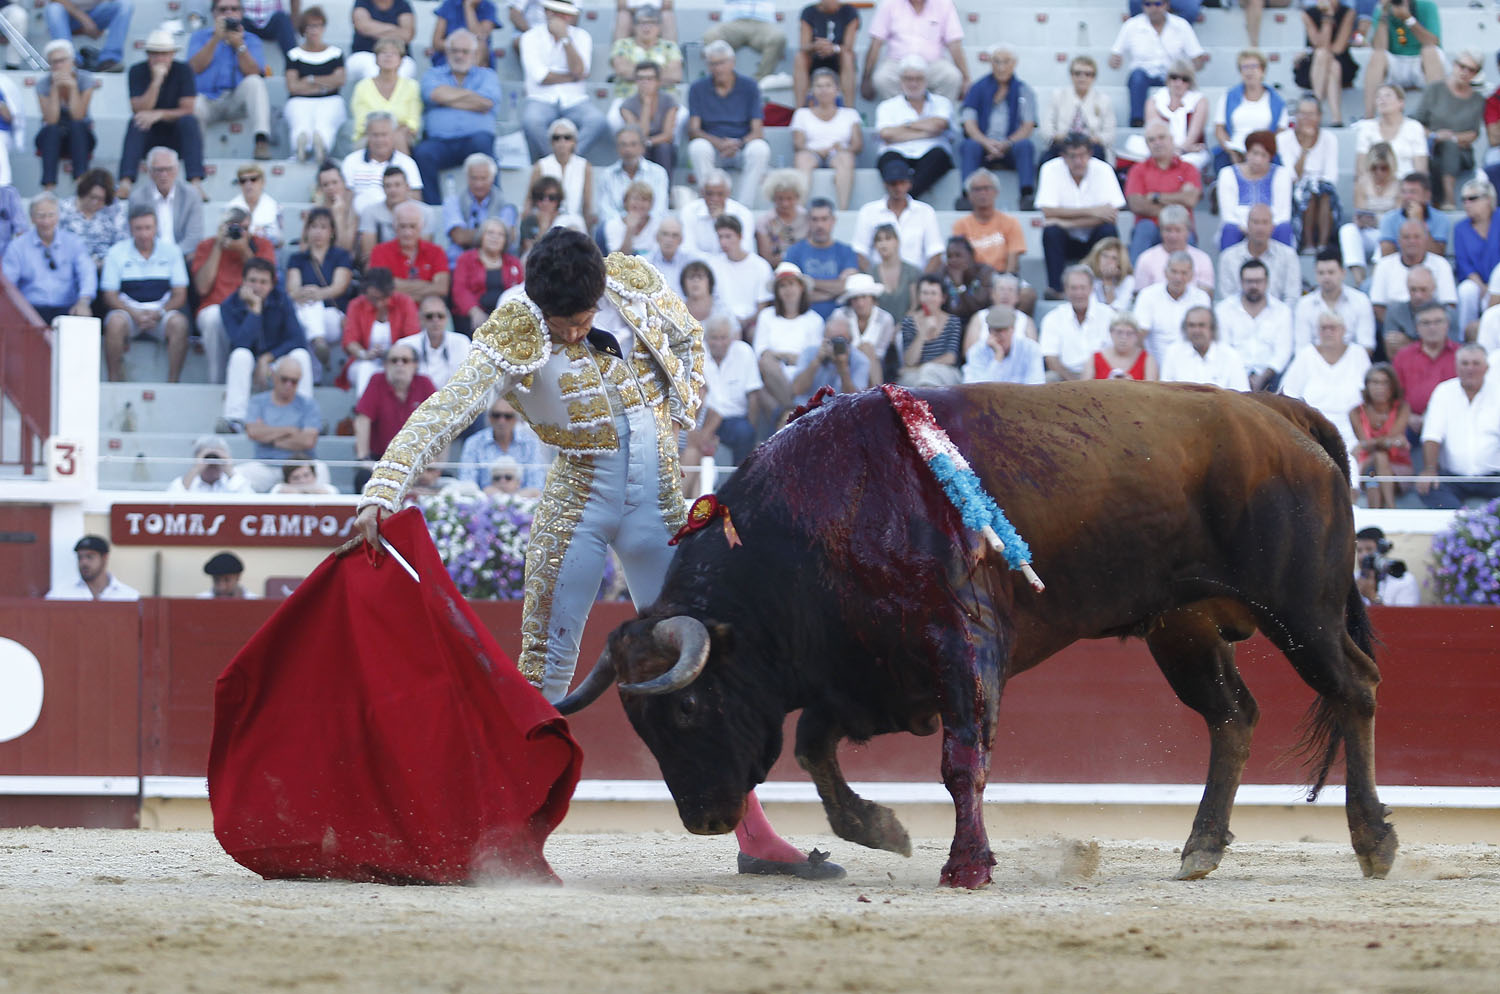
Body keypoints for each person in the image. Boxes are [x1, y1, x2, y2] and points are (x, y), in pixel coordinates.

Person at [353, 229, 838, 881]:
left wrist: (678, 414)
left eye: (582, 319)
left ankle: (754, 835)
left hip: (660, 500)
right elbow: (445, 408)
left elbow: (691, 343)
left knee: (706, 666)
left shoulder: (632, 281)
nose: (575, 333)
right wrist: (383, 488)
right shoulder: (516, 328)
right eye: (563, 326)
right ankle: (496, 838)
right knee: (544, 671)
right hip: (578, 502)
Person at [217, 257, 315, 433]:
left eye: (263, 282)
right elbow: (239, 342)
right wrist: (255, 309)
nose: (257, 286)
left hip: (275, 361)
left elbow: (297, 339)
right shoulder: (229, 305)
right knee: (240, 355)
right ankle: (235, 419)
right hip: (248, 363)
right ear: (243, 282)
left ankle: (305, 419)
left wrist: (267, 359)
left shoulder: (281, 300)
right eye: (252, 281)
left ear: (272, 285)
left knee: (301, 356)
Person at [101, 205, 189, 382]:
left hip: (161, 312)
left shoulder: (172, 252)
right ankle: (114, 381)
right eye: (138, 228)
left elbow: (180, 294)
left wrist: (159, 313)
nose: (143, 234)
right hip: (128, 312)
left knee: (180, 324)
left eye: (148, 228)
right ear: (130, 229)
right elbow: (109, 294)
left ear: (156, 228)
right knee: (115, 323)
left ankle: (173, 383)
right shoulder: (116, 252)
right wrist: (134, 313)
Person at [414, 30, 501, 206]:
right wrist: (471, 98)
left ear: (475, 54)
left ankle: (493, 206)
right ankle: (433, 208)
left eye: (465, 51)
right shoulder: (433, 74)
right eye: (455, 51)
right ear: (447, 53)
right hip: (440, 142)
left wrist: (448, 99)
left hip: (475, 140)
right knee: (422, 153)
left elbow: (486, 103)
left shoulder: (487, 75)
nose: (459, 55)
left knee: (484, 145)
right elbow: (434, 95)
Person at [1036, 132, 1125, 299]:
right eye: (1072, 156)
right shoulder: (1050, 169)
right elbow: (1048, 211)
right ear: (1063, 156)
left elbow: (1111, 216)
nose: (1078, 161)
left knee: (1108, 230)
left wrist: (1065, 222)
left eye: (1082, 155)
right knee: (1052, 232)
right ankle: (1056, 289)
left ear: (1090, 154)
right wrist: (1093, 211)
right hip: (1065, 241)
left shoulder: (1104, 170)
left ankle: (1106, 287)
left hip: (1094, 239)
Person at [194, 208, 278, 383]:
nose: (239, 232)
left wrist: (244, 251)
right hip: (217, 311)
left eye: (244, 228)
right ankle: (217, 383)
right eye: (234, 227)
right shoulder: (206, 246)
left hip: (253, 308)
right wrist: (218, 245)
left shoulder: (262, 245)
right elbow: (202, 288)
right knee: (212, 317)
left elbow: (269, 284)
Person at [118, 30, 205, 200]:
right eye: (155, 54)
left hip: (175, 134)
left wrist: (159, 114)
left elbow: (188, 108)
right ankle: (125, 182)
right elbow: (139, 109)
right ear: (148, 55)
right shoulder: (137, 71)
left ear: (172, 54)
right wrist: (156, 82)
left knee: (189, 122)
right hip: (148, 135)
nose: (159, 59)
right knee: (136, 122)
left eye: (164, 54)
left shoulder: (183, 70)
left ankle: (196, 182)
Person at [687, 40, 771, 206]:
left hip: (741, 146)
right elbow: (693, 130)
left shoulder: (750, 87)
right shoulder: (697, 88)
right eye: (712, 64)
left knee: (760, 149)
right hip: (713, 147)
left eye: (721, 63)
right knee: (697, 147)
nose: (717, 68)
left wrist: (738, 144)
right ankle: (711, 203)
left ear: (732, 62)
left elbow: (757, 131)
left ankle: (743, 207)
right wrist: (718, 143)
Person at [519, 0, 605, 160]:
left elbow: (579, 71)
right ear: (547, 13)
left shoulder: (582, 36)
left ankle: (568, 161)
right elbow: (541, 77)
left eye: (566, 14)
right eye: (559, 13)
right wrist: (572, 76)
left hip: (575, 100)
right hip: (540, 99)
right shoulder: (529, 37)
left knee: (596, 121)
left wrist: (565, 38)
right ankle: (553, 162)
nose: (564, 18)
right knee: (531, 122)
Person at [1281, 310, 1371, 461]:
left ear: (1343, 330)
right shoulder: (1306, 355)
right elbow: (1287, 394)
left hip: (1351, 427)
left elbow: (1369, 396)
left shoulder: (1358, 354)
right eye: (1323, 328)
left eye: (1333, 328)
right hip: (1312, 427)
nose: (1328, 332)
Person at [188, 0, 273, 161]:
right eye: (223, 9)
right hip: (208, 101)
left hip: (236, 100)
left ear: (241, 14)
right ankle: (195, 156)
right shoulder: (199, 37)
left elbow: (254, 71)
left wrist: (239, 45)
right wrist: (215, 40)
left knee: (255, 82)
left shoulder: (251, 39)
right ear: (213, 13)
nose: (228, 13)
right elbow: (194, 68)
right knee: (193, 103)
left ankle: (261, 141)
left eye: (234, 9)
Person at [1416, 345, 1500, 508]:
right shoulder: (1443, 392)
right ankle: (1461, 527)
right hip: (1453, 478)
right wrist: (1430, 469)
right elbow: (1431, 436)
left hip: (1494, 477)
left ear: (1486, 368)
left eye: (1476, 363)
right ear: (1456, 366)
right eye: (1465, 363)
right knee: (1430, 489)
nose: (1470, 368)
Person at [957, 45, 1035, 210]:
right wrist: (986, 142)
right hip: (984, 145)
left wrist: (1007, 143)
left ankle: (1027, 194)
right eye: (997, 62)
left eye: (1006, 62)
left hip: (1010, 146)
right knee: (969, 145)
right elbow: (969, 123)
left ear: (1014, 63)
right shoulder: (977, 88)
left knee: (1026, 145)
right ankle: (966, 195)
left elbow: (1028, 126)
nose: (1001, 67)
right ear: (990, 63)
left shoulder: (1024, 90)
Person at [1108, 0, 1208, 128]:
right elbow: (1114, 57)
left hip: (1171, 76)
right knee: (1137, 77)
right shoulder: (1132, 25)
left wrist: (1198, 63)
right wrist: (1114, 61)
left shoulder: (1181, 25)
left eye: (1158, 4)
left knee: (1180, 78)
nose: (1153, 8)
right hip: (1143, 76)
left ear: (1167, 5)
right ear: (1142, 6)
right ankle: (1137, 121)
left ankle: (1180, 125)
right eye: (1148, 4)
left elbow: (1197, 58)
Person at [1, 192, 96, 324]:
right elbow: (9, 284)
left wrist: (84, 301)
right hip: (29, 309)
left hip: (67, 308)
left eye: (51, 215)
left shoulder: (74, 242)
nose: (46, 221)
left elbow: (87, 274)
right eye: (41, 216)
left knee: (83, 317)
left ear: (58, 216)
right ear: (32, 218)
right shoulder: (17, 246)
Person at [352, 338, 436, 483]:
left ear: (415, 365)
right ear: (385, 365)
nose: (399, 364)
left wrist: (433, 463)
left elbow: (439, 422)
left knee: (448, 480)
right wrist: (363, 458)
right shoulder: (377, 381)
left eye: (405, 360)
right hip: (381, 460)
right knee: (363, 478)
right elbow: (362, 419)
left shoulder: (425, 384)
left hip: (419, 460)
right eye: (394, 360)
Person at [873, 56, 954, 202]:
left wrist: (906, 127)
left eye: (918, 79)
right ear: (901, 81)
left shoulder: (942, 102)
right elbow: (886, 134)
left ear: (926, 80)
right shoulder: (887, 105)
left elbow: (940, 125)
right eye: (908, 79)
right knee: (890, 160)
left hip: (931, 152)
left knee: (939, 157)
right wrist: (926, 130)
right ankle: (907, 199)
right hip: (898, 151)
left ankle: (905, 199)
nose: (913, 83)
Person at [1413, 52, 1484, 211]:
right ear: (1454, 65)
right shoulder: (1435, 89)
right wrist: (1434, 136)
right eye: (1462, 66)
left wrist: (1450, 137)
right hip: (1430, 146)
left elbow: (1473, 133)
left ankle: (1449, 197)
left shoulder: (1477, 99)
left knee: (1450, 145)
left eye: (1471, 70)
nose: (1465, 72)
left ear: (1476, 74)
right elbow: (1417, 122)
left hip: (1461, 152)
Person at [1124, 121, 1203, 263]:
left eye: (1161, 137)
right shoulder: (1137, 170)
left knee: (1181, 232)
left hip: (1180, 227)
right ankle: (1136, 282)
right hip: (1149, 227)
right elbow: (1136, 205)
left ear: (1171, 140)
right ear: (1147, 145)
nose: (1157, 143)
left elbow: (1190, 200)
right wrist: (1178, 202)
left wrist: (1155, 197)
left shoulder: (1188, 169)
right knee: (1145, 229)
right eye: (1151, 140)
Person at [860, 0, 968, 102]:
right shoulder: (889, 3)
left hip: (932, 65)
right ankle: (900, 118)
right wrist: (866, 78)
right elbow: (876, 43)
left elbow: (954, 44)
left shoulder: (944, 3)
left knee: (952, 77)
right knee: (881, 78)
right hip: (897, 64)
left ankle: (938, 118)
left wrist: (966, 78)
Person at [951, 171, 1030, 309]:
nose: (982, 193)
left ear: (996, 192)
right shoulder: (961, 225)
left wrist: (1003, 284)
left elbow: (1013, 261)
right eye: (977, 189)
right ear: (969, 195)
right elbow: (960, 260)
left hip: (1003, 276)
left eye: (987, 188)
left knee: (1028, 295)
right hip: (974, 279)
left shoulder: (1010, 222)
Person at [286, 206, 353, 369]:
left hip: (333, 315)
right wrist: (305, 293)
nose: (318, 232)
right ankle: (319, 342)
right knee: (308, 311)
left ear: (331, 232)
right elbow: (292, 290)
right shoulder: (297, 259)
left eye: (323, 227)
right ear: (307, 230)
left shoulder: (341, 256)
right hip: (305, 314)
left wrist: (315, 293)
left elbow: (339, 287)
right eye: (314, 226)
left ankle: (318, 344)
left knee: (311, 307)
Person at [242, 354, 322, 490]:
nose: (288, 385)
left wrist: (271, 439)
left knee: (322, 470)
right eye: (284, 379)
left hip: (300, 468)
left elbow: (307, 441)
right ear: (274, 376)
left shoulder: (309, 404)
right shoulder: (257, 402)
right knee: (239, 478)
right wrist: (290, 430)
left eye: (294, 381)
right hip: (265, 466)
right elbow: (253, 432)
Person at [851, 159, 944, 271]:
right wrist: (876, 280)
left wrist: (920, 284)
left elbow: (935, 253)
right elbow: (860, 252)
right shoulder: (868, 211)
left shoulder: (925, 212)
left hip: (916, 279)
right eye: (893, 183)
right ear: (885, 184)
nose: (898, 188)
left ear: (909, 183)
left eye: (902, 182)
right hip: (878, 282)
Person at [341, 267, 419, 397]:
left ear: (390, 293)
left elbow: (413, 339)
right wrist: (365, 354)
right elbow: (349, 340)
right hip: (364, 360)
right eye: (373, 298)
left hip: (398, 360)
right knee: (366, 368)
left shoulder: (405, 303)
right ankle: (365, 412)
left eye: (382, 298)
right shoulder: (356, 305)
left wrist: (391, 355)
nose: (378, 304)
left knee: (401, 370)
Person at [791, 68, 862, 210]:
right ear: (812, 90)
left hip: (839, 153)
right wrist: (817, 150)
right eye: (819, 86)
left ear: (837, 89)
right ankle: (799, 209)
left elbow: (858, 145)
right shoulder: (802, 114)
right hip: (811, 152)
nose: (824, 90)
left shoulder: (850, 114)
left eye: (828, 86)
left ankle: (843, 208)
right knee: (802, 158)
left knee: (846, 158)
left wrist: (843, 148)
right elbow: (798, 144)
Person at [1362, 0, 1444, 120]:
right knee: (1377, 56)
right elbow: (1380, 47)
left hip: (1421, 63)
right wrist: (1383, 15)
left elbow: (1432, 42)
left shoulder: (1427, 6)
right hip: (1396, 63)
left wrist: (1408, 18)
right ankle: (1368, 118)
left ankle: (1437, 118)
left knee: (1430, 51)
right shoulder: (1381, 10)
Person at [754, 262, 822, 409]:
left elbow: (812, 357)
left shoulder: (814, 320)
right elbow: (762, 353)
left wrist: (780, 356)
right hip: (773, 378)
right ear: (777, 291)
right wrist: (790, 357)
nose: (787, 290)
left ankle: (789, 410)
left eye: (791, 284)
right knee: (767, 362)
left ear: (801, 287)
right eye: (782, 286)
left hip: (803, 378)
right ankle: (793, 408)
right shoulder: (766, 316)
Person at [284, 7, 347, 164]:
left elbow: (340, 80)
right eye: (310, 26)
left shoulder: (335, 53)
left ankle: (322, 147)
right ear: (303, 29)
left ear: (323, 28)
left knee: (324, 122)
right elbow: (292, 86)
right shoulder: (294, 54)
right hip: (300, 100)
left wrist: (310, 80)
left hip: (330, 100)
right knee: (301, 122)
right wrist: (325, 84)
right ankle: (301, 148)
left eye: (318, 25)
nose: (314, 30)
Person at [1278, 96, 1340, 253]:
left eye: (1311, 114)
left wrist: (1315, 185)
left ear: (1319, 116)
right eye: (1302, 114)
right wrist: (1304, 149)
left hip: (1323, 189)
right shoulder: (1283, 139)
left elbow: (1331, 176)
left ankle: (1323, 245)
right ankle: (1308, 244)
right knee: (1308, 194)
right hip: (1295, 190)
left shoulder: (1330, 139)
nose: (1306, 118)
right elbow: (1292, 176)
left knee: (1323, 193)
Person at [35, 40, 99, 191]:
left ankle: (81, 183)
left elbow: (78, 115)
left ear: (72, 61)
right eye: (53, 62)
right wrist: (55, 90)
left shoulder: (85, 79)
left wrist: (72, 88)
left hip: (80, 135)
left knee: (78, 127)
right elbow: (51, 120)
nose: (58, 66)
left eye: (62, 60)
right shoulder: (43, 84)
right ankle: (48, 187)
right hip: (53, 135)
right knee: (51, 130)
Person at [697, 314, 761, 461]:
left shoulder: (744, 352)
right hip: (704, 418)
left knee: (745, 432)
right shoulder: (696, 354)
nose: (719, 343)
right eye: (714, 338)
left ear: (732, 338)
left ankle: (740, 480)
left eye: (723, 337)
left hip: (734, 419)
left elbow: (754, 395)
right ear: (706, 338)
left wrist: (753, 426)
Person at [783, 198, 858, 323]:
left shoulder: (846, 251)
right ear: (807, 221)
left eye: (824, 219)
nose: (820, 225)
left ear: (833, 220)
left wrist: (807, 282)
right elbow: (793, 295)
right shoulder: (794, 252)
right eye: (815, 219)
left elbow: (848, 287)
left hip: (839, 322)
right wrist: (836, 291)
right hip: (803, 320)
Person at [1369, 219, 1457, 325]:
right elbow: (1378, 307)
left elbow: (1449, 306)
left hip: (1433, 327)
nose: (1412, 241)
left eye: (1416, 237)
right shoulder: (1383, 265)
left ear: (1425, 240)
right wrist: (1398, 327)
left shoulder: (1441, 264)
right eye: (1406, 237)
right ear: (1399, 240)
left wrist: (1421, 333)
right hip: (1395, 328)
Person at [1216, 130, 1293, 251]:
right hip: (1240, 228)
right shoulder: (1227, 174)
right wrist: (1251, 229)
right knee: (1230, 229)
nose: (1258, 160)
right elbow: (1228, 215)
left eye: (1264, 155)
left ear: (1271, 157)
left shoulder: (1281, 174)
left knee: (1284, 228)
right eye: (1255, 153)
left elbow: (1283, 214)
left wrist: (1262, 229)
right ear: (1247, 153)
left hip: (1270, 229)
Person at [1213, 51, 1287, 175]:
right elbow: (1219, 129)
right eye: (1245, 67)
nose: (1249, 71)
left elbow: (1281, 131)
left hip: (1265, 151)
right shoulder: (1228, 97)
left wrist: (1261, 154)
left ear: (1262, 70)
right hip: (1235, 150)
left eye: (1254, 67)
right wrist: (1231, 150)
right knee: (1222, 162)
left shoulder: (1276, 100)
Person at [1350, 363, 1412, 508]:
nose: (1380, 387)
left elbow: (1369, 444)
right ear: (1367, 385)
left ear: (1393, 386)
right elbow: (1382, 442)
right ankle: (1391, 509)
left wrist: (1367, 445)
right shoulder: (1355, 412)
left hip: (1397, 464)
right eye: (1375, 382)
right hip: (1370, 464)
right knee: (1376, 463)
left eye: (1385, 382)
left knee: (1376, 469)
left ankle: (1378, 514)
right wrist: (1392, 441)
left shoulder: (1403, 407)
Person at [1393, 302, 1459, 437]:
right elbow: (1393, 393)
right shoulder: (1403, 356)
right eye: (1426, 323)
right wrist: (1408, 416)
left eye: (1438, 322)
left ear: (1447, 325)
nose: (1432, 327)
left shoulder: (1461, 355)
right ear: (1417, 328)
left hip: (1453, 422)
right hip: (1411, 425)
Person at [1338, 141, 1400, 283]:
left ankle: (1376, 279)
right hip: (1368, 232)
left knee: (1387, 233)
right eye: (1374, 168)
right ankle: (1359, 279)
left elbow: (1397, 217)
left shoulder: (1399, 185)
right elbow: (1360, 211)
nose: (1379, 172)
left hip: (1388, 234)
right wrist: (1361, 221)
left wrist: (1377, 221)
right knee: (1347, 230)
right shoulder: (1362, 184)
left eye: (1384, 168)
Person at [1041, 265, 1116, 381]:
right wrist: (1076, 385)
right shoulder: (1053, 318)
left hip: (1102, 376)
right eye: (1073, 288)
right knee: (1049, 378)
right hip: (1066, 378)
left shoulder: (1109, 315)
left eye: (1082, 287)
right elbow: (1051, 359)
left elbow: (1116, 353)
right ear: (1065, 289)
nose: (1078, 293)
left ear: (1091, 288)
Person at [1134, 251, 1211, 365]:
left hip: (1191, 364)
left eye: (1184, 273)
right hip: (1155, 364)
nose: (1178, 278)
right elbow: (1139, 335)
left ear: (1191, 275)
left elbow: (1206, 335)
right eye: (1174, 272)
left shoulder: (1201, 297)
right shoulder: (1147, 295)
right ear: (1165, 272)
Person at [1295, 248, 1376, 355]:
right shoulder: (1304, 304)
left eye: (1331, 272)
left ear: (1343, 273)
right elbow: (1301, 348)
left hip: (1353, 364)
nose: (1326, 277)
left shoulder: (1361, 300)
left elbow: (1366, 345)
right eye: (1321, 273)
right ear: (1315, 275)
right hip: (1314, 365)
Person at [1216, 204, 1302, 304]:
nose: (1260, 228)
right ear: (1247, 226)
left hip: (1279, 317)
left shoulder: (1289, 256)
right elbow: (1227, 299)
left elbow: (1292, 297)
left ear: (1272, 227)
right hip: (1238, 317)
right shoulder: (1228, 257)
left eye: (1265, 222)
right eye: (1255, 222)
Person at [370, 201, 451, 305]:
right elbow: (380, 288)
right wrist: (427, 285)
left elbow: (441, 288)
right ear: (394, 226)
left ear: (422, 226)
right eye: (402, 226)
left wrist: (397, 286)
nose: (407, 233)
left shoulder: (436, 251)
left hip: (427, 315)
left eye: (412, 226)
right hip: (393, 312)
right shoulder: (379, 251)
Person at [708, 215, 773, 341]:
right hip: (721, 321)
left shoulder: (760, 266)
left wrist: (743, 323)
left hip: (751, 323)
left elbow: (762, 306)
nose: (723, 242)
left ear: (740, 236)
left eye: (728, 236)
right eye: (720, 237)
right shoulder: (713, 264)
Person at [343, 112, 424, 213]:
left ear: (393, 135)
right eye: (375, 135)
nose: (380, 140)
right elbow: (345, 198)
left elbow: (415, 199)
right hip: (358, 222)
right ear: (367, 136)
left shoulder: (407, 163)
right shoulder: (351, 161)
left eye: (384, 135)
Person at [351, 38, 422, 152]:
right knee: (379, 139)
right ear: (376, 59)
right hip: (370, 135)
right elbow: (361, 123)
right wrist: (382, 134)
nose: (388, 56)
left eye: (393, 53)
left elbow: (413, 122)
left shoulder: (412, 86)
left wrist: (391, 133)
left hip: (403, 135)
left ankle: (401, 169)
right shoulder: (362, 86)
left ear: (401, 60)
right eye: (383, 52)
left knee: (397, 137)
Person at [454, 217, 524, 332]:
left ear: (505, 240)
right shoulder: (466, 259)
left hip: (507, 317)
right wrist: (474, 311)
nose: (495, 237)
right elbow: (460, 290)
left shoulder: (514, 262)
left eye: (500, 234)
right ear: (481, 236)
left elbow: (520, 290)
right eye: (490, 233)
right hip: (473, 316)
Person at [460, 396, 545, 490]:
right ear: (489, 417)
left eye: (508, 416)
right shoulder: (474, 443)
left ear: (516, 419)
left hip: (523, 501)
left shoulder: (530, 444)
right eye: (496, 415)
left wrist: (515, 498)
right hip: (484, 502)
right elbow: (467, 482)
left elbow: (537, 485)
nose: (501, 421)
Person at [1042, 56, 1112, 168]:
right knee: (1046, 159)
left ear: (1094, 77)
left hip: (1091, 145)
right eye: (1077, 73)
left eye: (1088, 74)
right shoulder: (1058, 96)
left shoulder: (1103, 100)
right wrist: (1059, 136)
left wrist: (1094, 139)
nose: (1082, 78)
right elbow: (1047, 129)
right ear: (1071, 75)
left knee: (1099, 154)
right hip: (1063, 143)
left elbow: (1109, 134)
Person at [1160, 306, 1251, 391]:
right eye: (1192, 325)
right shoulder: (1173, 353)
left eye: (1201, 325)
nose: (1196, 331)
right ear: (1185, 328)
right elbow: (1165, 392)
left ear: (1212, 328)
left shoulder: (1230, 356)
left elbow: (1241, 395)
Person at [596, 126, 669, 230]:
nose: (628, 150)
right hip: (617, 230)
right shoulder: (607, 175)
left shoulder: (658, 173)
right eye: (623, 145)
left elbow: (659, 209)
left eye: (633, 144)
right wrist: (626, 223)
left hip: (650, 230)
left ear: (643, 148)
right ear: (617, 148)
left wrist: (641, 225)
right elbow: (605, 211)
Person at [1453, 177, 1500, 337]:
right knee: (1466, 291)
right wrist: (1482, 286)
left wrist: (1493, 286)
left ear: (1488, 199)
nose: (1467, 203)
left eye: (1472, 198)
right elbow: (1463, 263)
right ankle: (1464, 338)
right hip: (1476, 282)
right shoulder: (1460, 228)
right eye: (1464, 200)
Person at [529, 117, 595, 230]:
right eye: (556, 138)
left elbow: (587, 205)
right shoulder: (540, 166)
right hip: (547, 219)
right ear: (551, 142)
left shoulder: (584, 166)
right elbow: (530, 200)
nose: (562, 142)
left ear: (574, 141)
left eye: (567, 137)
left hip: (575, 220)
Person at [1144, 60, 1209, 174]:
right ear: (1168, 79)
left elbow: (1192, 137)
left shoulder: (1199, 101)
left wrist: (1181, 150)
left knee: (1187, 164)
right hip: (1160, 150)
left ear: (1190, 82)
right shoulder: (1154, 101)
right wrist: (1173, 152)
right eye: (1174, 77)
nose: (1178, 83)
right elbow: (1155, 135)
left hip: (1190, 153)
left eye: (1184, 79)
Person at [358, 165, 433, 262]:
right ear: (383, 188)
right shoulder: (369, 212)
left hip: (415, 264)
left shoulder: (426, 212)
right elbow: (368, 254)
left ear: (407, 187)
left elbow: (425, 250)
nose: (392, 190)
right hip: (381, 264)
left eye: (397, 185)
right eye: (388, 186)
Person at [608, 5, 682, 105]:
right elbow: (623, 71)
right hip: (627, 100)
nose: (647, 27)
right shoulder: (622, 45)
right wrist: (658, 77)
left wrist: (639, 78)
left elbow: (675, 75)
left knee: (682, 116)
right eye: (642, 23)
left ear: (659, 26)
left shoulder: (670, 46)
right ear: (634, 26)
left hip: (664, 102)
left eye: (652, 23)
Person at [897, 274, 961, 387]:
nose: (929, 298)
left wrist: (923, 367)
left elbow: (950, 358)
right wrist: (922, 334)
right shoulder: (909, 322)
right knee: (908, 379)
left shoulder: (953, 321)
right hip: (915, 373)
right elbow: (910, 361)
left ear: (943, 298)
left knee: (927, 372)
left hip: (945, 371)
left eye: (933, 293)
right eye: (925, 293)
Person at [832, 272, 895, 386]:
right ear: (850, 301)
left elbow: (880, 353)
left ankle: (875, 394)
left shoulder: (886, 319)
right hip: (845, 364)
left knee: (867, 348)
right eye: (855, 298)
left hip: (875, 367)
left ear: (872, 298)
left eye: (864, 297)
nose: (860, 303)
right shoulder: (840, 316)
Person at [617, 60, 679, 176]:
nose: (645, 83)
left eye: (649, 79)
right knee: (635, 150)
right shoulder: (626, 106)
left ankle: (666, 191)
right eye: (641, 79)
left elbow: (668, 135)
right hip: (639, 145)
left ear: (658, 82)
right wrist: (646, 104)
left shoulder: (669, 101)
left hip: (660, 144)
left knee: (663, 149)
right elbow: (640, 134)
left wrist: (648, 142)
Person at [1355, 84, 1428, 181]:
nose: (1382, 99)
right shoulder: (1367, 127)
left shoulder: (1414, 127)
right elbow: (1361, 167)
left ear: (1401, 103)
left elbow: (1420, 168)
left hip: (1405, 186)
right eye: (1378, 97)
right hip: (1375, 185)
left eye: (1388, 95)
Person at [1301, 0, 1356, 128]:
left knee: (1330, 61)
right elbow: (1317, 43)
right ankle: (1336, 117)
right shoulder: (1308, 13)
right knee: (1325, 58)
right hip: (1315, 64)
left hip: (1342, 63)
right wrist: (1327, 17)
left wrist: (1329, 16)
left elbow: (1338, 48)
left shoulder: (1347, 12)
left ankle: (1315, 107)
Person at [678, 169, 755, 259]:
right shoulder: (689, 211)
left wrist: (724, 220)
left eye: (720, 194)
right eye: (709, 194)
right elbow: (687, 249)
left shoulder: (743, 213)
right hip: (700, 267)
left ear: (728, 193)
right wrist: (715, 263)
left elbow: (745, 249)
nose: (714, 199)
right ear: (702, 193)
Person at [1134, 204, 1211, 294]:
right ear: (1160, 231)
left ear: (1188, 232)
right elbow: (1140, 295)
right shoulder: (1146, 259)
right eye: (1168, 230)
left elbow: (1206, 296)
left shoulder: (1202, 259)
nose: (1173, 236)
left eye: (1178, 230)